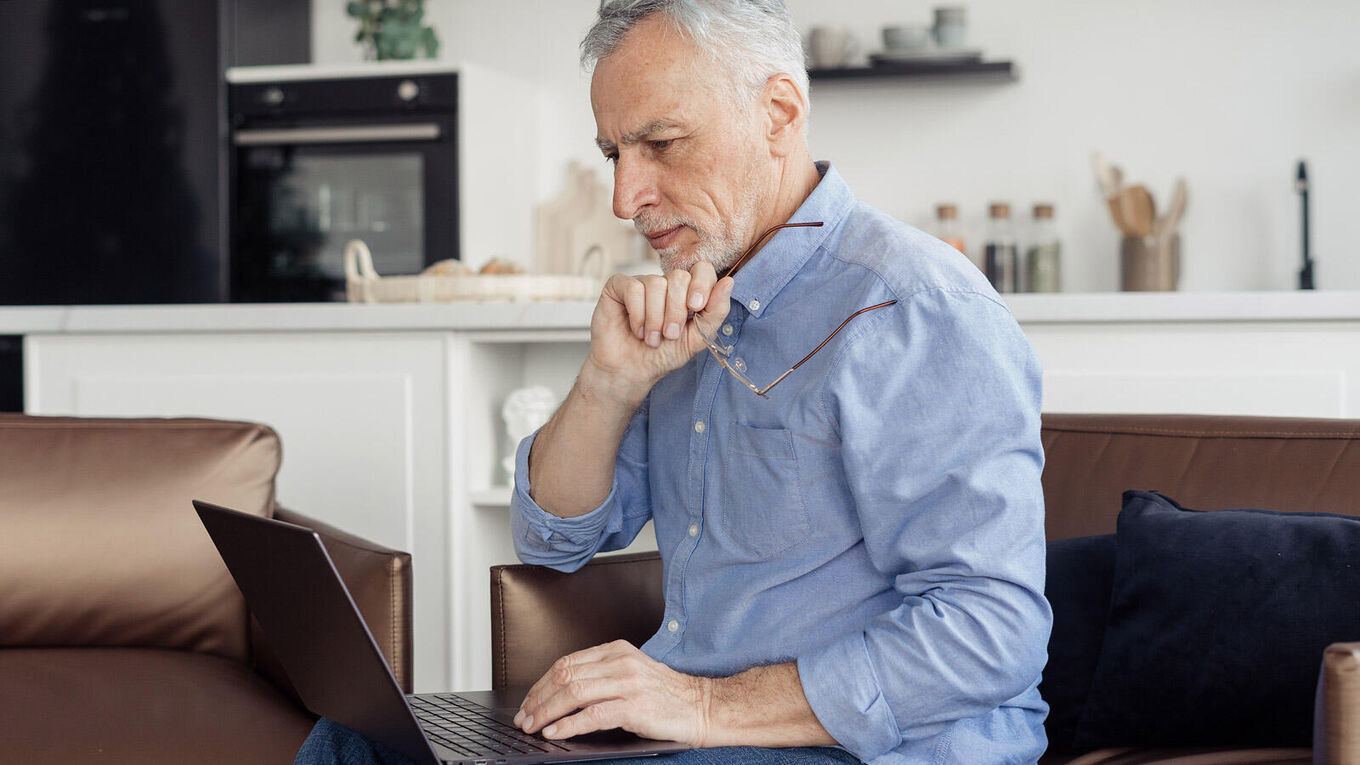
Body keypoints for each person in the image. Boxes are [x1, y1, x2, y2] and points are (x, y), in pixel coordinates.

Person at [297, 1, 1051, 763]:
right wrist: (608, 383)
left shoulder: (914, 308)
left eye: (660, 143)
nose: (626, 199)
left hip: (866, 745)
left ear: (778, 114)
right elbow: (552, 540)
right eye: (614, 155)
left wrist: (698, 701)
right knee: (352, 744)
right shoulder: (695, 296)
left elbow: (993, 627)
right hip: (693, 729)